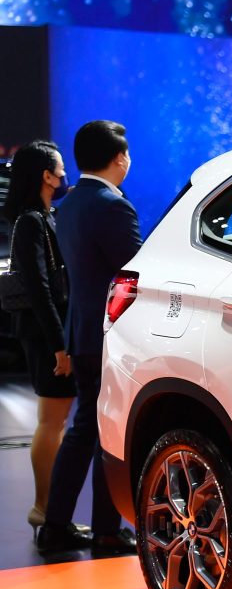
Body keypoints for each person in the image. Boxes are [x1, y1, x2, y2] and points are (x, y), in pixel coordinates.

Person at [36, 121, 142, 556]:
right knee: (106, 430)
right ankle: (104, 530)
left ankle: (56, 524)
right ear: (120, 158)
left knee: (85, 429)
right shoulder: (112, 206)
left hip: (81, 330)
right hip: (110, 336)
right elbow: (135, 271)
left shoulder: (72, 203)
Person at [1, 141, 77, 538]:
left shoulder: (45, 216)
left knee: (55, 420)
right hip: (46, 335)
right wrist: (59, 346)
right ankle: (43, 508)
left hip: (50, 332)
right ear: (46, 175)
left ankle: (47, 508)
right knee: (51, 421)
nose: (66, 174)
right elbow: (40, 289)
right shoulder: (32, 221)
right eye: (60, 168)